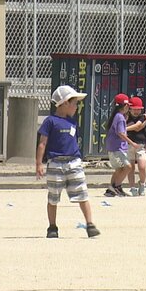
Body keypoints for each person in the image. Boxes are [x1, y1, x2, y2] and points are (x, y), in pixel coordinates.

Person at [36, 85, 100, 239]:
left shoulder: (73, 122)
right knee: (53, 196)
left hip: (74, 162)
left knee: (82, 193)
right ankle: (52, 227)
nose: (76, 107)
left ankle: (90, 224)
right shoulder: (50, 121)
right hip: (55, 163)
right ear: (65, 103)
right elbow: (42, 143)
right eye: (74, 103)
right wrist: (39, 163)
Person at [104, 93, 140, 197]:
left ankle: (111, 190)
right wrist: (132, 143)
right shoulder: (120, 117)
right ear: (125, 106)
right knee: (128, 167)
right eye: (128, 105)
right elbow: (120, 133)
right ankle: (116, 187)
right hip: (117, 148)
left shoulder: (117, 116)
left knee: (119, 169)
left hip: (114, 148)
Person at [126, 96, 146, 196]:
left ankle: (142, 184)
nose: (136, 111)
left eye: (138, 109)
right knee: (130, 168)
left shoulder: (143, 117)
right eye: (134, 109)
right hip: (128, 144)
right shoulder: (126, 117)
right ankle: (132, 187)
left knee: (142, 167)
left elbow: (137, 128)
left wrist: (124, 129)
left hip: (140, 144)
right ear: (130, 108)